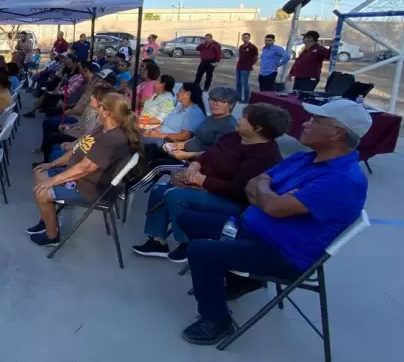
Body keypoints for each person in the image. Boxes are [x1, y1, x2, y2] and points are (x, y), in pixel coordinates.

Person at [177, 99, 371, 345]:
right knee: (189, 219)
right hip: (252, 229)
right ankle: (242, 279)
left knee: (202, 251)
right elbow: (253, 184)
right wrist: (267, 194)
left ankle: (216, 320)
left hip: (282, 252)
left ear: (337, 133)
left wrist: (265, 194)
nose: (306, 123)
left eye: (316, 120)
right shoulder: (304, 158)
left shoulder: (343, 180)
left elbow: (272, 205)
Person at [131, 102, 289, 262]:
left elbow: (238, 189)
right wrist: (193, 167)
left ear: (258, 128)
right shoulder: (234, 137)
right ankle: (158, 241)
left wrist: (201, 180)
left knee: (176, 196)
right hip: (203, 183)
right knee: (159, 190)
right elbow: (207, 154)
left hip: (232, 200)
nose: (239, 120)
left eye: (244, 118)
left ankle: (187, 243)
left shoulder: (265, 156)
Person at [28, 93, 141, 246]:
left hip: (90, 189)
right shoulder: (102, 128)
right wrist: (52, 164)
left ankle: (52, 236)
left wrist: (52, 181)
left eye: (100, 106)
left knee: (41, 193)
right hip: (80, 178)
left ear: (108, 112)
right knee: (40, 171)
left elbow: (85, 168)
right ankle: (47, 218)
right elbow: (77, 148)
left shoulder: (113, 139)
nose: (97, 108)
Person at [235, 33, 258, 103]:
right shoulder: (241, 46)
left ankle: (246, 99)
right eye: (244, 37)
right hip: (239, 67)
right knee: (238, 83)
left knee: (244, 83)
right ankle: (238, 97)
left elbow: (255, 57)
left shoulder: (252, 47)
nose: (245, 39)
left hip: (246, 68)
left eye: (246, 37)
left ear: (249, 38)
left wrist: (250, 63)